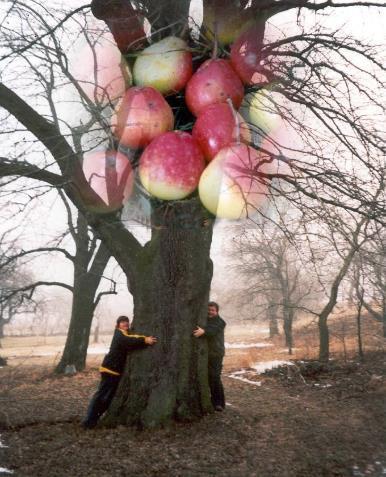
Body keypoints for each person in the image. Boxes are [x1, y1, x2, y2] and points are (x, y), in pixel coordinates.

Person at [82, 315, 157, 428]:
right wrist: (145, 340)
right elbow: (128, 341)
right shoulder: (119, 334)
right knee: (101, 396)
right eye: (122, 322)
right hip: (109, 369)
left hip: (115, 371)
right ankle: (89, 421)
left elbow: (133, 337)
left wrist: (143, 338)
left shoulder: (126, 333)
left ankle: (93, 419)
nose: (125, 324)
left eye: (126, 322)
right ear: (118, 325)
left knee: (107, 397)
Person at [193, 301, 226, 412]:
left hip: (216, 353)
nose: (210, 312)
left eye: (212, 310)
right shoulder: (205, 320)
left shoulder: (220, 322)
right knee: (208, 377)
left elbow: (212, 331)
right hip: (206, 354)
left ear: (217, 311)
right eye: (208, 310)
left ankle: (219, 403)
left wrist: (204, 331)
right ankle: (214, 401)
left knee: (215, 377)